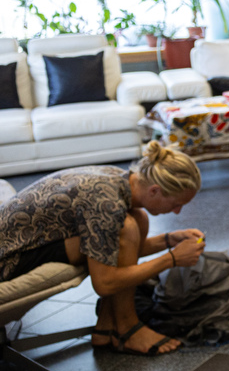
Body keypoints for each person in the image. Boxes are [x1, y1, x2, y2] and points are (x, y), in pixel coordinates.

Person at [0, 141, 205, 355]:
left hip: (27, 242)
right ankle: (127, 327)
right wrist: (171, 259)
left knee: (138, 218)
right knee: (127, 227)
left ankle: (107, 325)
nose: (178, 212)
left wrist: (169, 239)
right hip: (8, 259)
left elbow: (115, 246)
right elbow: (105, 283)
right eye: (175, 204)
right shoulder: (106, 204)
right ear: (155, 190)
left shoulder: (119, 179)